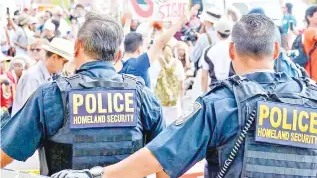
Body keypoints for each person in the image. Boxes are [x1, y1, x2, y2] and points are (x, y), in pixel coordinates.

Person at [51, 13, 317, 178]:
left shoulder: (220, 104)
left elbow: (157, 157)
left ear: (232, 50)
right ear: (276, 50)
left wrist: (95, 175)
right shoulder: (316, 105)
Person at [0, 12, 166, 177]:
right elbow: (164, 170)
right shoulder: (144, 97)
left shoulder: (51, 96)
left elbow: (3, 155)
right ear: (118, 56)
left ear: (77, 46)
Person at [119, 16, 187, 88]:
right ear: (139, 48)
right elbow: (160, 42)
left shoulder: (117, 65)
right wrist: (180, 22)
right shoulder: (139, 63)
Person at [11, 38, 73, 116]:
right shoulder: (33, 77)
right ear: (54, 57)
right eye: (64, 62)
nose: (63, 67)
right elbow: (29, 113)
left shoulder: (49, 76)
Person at [150, 44, 185, 126]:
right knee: (175, 127)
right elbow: (182, 86)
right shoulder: (178, 63)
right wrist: (180, 101)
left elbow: (152, 84)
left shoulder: (155, 63)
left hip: (160, 101)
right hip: (174, 102)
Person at [201, 18, 234, 92]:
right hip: (233, 90)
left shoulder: (208, 50)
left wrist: (204, 94)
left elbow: (204, 77)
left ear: (217, 32)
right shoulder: (236, 49)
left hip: (215, 91)